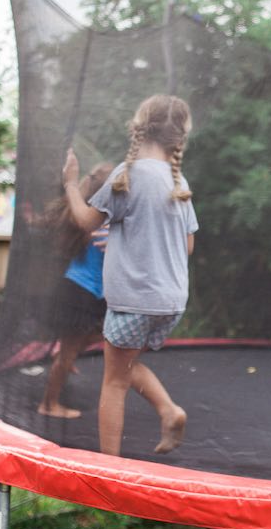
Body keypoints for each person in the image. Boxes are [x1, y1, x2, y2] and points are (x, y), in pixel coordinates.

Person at [62, 95, 197, 456]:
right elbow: (187, 247)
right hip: (170, 301)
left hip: (134, 299)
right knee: (125, 363)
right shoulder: (178, 181)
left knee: (114, 381)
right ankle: (169, 411)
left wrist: (71, 185)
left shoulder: (128, 174)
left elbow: (86, 222)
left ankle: (111, 471)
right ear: (179, 136)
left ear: (139, 127)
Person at [37, 161, 114, 419]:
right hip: (80, 293)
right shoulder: (98, 224)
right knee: (69, 354)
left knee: (100, 336)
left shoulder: (90, 217)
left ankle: (65, 356)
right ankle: (49, 404)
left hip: (89, 293)